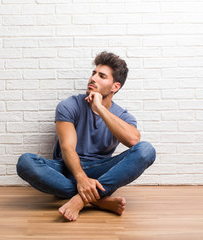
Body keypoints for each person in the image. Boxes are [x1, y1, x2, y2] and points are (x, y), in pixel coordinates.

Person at [16, 51, 156, 221]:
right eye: (93, 73)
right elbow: (67, 147)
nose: (93, 78)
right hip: (67, 168)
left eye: (102, 76)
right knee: (25, 162)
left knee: (146, 150)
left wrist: (100, 109)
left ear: (115, 87)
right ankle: (98, 201)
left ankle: (81, 199)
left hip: (100, 169)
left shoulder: (122, 116)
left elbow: (134, 141)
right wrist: (81, 177)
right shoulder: (69, 105)